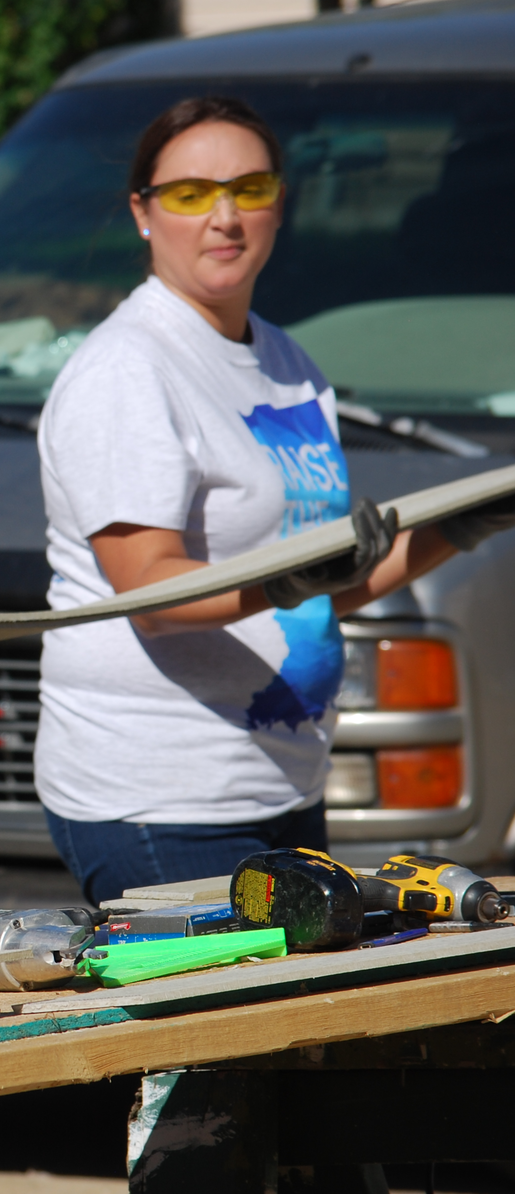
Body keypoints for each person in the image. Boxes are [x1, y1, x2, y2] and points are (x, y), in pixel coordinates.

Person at [37, 96, 515, 906]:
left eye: (249, 189)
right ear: (143, 214)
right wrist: (289, 579)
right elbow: (151, 589)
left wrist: (456, 526)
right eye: (191, 195)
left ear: (279, 205)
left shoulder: (289, 362)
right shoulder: (129, 368)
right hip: (163, 802)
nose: (224, 217)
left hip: (280, 787)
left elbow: (328, 581)